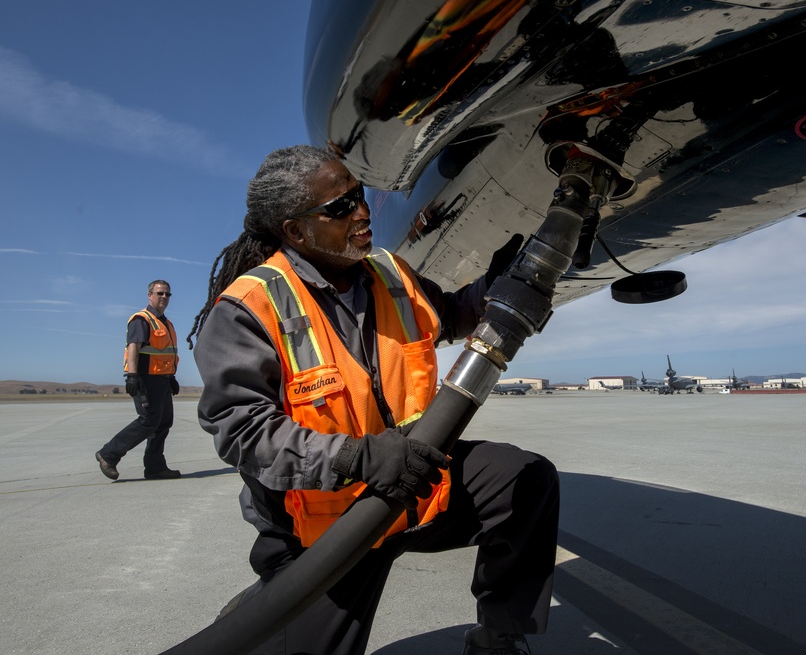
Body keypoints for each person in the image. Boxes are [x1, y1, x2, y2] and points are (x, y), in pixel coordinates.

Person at [186, 145, 559, 655]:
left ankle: (499, 639)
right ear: (295, 231)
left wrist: (500, 286)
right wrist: (354, 458)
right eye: (340, 208)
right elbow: (243, 431)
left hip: (419, 490)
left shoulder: (388, 271)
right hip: (326, 530)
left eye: (359, 196)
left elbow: (448, 314)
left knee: (525, 479)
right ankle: (267, 606)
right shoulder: (248, 307)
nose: (362, 213)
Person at [96, 280, 182, 481]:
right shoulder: (142, 320)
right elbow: (134, 347)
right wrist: (132, 376)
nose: (164, 297)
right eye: (160, 293)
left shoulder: (165, 323)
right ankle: (108, 454)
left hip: (161, 380)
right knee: (148, 421)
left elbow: (163, 354)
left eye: (167, 294)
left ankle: (155, 467)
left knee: (163, 423)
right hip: (145, 379)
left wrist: (170, 378)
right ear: (150, 295)